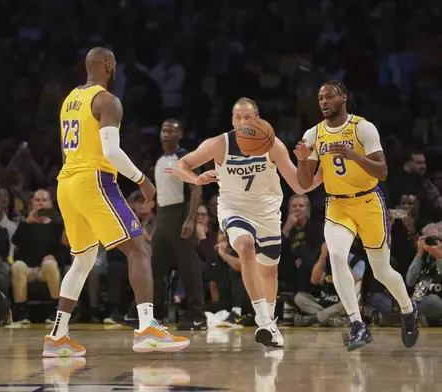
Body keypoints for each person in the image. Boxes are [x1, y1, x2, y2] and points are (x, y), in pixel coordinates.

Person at [44, 47, 189, 357]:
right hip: (94, 179)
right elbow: (111, 152)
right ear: (109, 65)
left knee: (82, 260)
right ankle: (147, 328)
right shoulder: (107, 100)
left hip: (66, 182)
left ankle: (58, 336)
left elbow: (67, 150)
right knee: (139, 248)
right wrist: (142, 179)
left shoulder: (70, 100)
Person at [166, 97, 322, 348]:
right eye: (237, 118)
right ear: (231, 120)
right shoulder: (219, 144)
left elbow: (297, 185)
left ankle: (269, 323)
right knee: (246, 247)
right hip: (234, 209)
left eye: (248, 118)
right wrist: (196, 179)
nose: (242, 122)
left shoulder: (272, 144)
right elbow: (182, 164)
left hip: (267, 212)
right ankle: (263, 320)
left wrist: (318, 176)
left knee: (269, 270)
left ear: (257, 120)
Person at [294, 80, 419, 351]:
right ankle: (357, 324)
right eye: (320, 98)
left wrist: (354, 156)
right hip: (337, 205)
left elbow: (383, 172)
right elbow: (304, 184)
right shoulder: (314, 133)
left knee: (382, 270)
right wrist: (302, 159)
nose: (324, 102)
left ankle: (408, 310)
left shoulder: (362, 127)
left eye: (329, 96)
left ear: (343, 98)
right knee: (337, 256)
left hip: (368, 202)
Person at [152, 119, 206, 330]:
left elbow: (196, 189)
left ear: (179, 135)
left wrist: (191, 219)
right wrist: (157, 222)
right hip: (163, 217)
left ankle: (198, 316)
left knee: (188, 266)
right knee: (154, 267)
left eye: (171, 131)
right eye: (163, 130)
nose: (166, 134)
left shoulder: (185, 157)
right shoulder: (159, 160)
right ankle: (154, 315)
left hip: (180, 214)